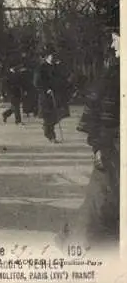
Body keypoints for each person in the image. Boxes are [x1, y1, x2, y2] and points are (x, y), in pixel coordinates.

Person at [55, 29, 120, 254]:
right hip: (113, 147)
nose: (113, 43)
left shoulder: (114, 73)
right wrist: (99, 146)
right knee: (103, 200)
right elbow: (101, 113)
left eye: (117, 37)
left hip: (114, 146)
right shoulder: (112, 73)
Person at [33, 50, 71, 143]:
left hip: (57, 95)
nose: (53, 57)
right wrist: (46, 89)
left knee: (59, 114)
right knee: (48, 116)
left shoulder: (56, 67)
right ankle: (51, 136)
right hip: (46, 96)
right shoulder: (41, 68)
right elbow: (37, 82)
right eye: (51, 56)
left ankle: (47, 128)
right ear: (46, 57)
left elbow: (62, 78)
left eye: (54, 55)